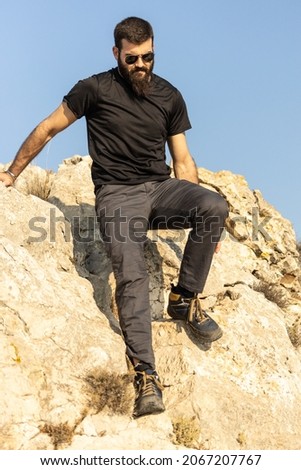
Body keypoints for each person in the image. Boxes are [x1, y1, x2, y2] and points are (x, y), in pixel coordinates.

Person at [0, 17, 228, 418]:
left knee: (213, 207)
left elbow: (182, 160)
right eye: (132, 58)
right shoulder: (94, 89)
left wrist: (194, 211)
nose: (141, 65)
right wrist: (11, 173)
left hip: (159, 190)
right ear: (116, 54)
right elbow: (48, 128)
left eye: (148, 57)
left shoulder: (169, 95)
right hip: (117, 197)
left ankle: (184, 299)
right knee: (132, 275)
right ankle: (146, 374)